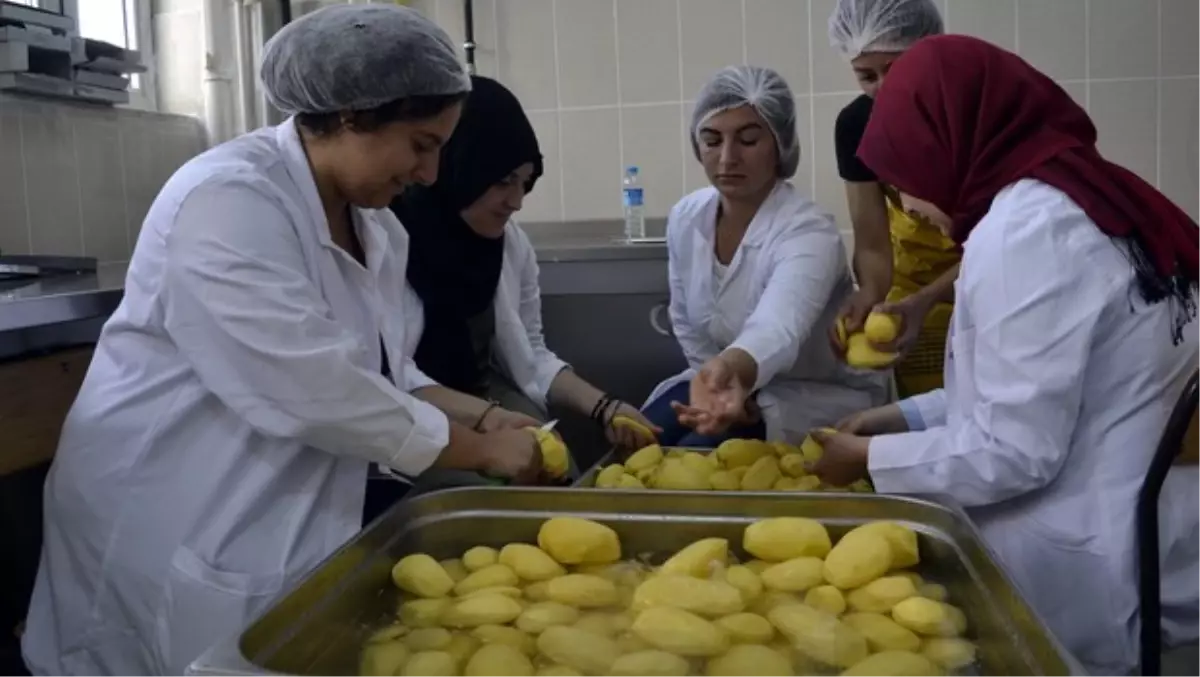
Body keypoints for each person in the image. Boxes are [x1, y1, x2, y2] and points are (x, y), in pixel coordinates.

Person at [21, 7, 545, 676]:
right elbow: (313, 388)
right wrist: (480, 449)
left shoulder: (377, 226)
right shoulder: (227, 201)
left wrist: (484, 413)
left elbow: (380, 369)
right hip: (173, 508)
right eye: (420, 144)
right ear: (353, 113)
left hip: (272, 511)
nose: (431, 174)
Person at [809, 35, 1200, 675]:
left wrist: (868, 458)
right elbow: (1030, 385)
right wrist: (897, 421)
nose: (906, 204)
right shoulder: (1078, 195)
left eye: (905, 175)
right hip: (1134, 499)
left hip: (1083, 547)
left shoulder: (1025, 234)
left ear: (952, 140)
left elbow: (1016, 449)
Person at [391, 75, 659, 487]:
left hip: (484, 390)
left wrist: (605, 407)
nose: (516, 201)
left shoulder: (509, 244)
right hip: (407, 411)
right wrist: (487, 422)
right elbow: (389, 375)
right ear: (461, 167)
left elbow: (531, 351)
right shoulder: (389, 242)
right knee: (489, 492)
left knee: (558, 472)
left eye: (525, 182)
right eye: (503, 181)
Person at [642, 65, 887, 448]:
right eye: (711, 140)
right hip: (733, 384)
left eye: (748, 140)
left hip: (813, 396)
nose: (727, 158)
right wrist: (713, 383)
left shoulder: (809, 231)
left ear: (780, 145)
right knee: (645, 437)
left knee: (697, 453)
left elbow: (778, 327)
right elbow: (686, 324)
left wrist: (735, 375)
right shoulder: (687, 218)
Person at [827, 0, 956, 396]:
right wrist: (869, 292)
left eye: (896, 70)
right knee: (925, 417)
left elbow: (998, 248)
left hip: (987, 279)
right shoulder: (856, 126)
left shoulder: (966, 115)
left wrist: (929, 299)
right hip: (911, 282)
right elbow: (871, 242)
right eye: (866, 76)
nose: (884, 88)